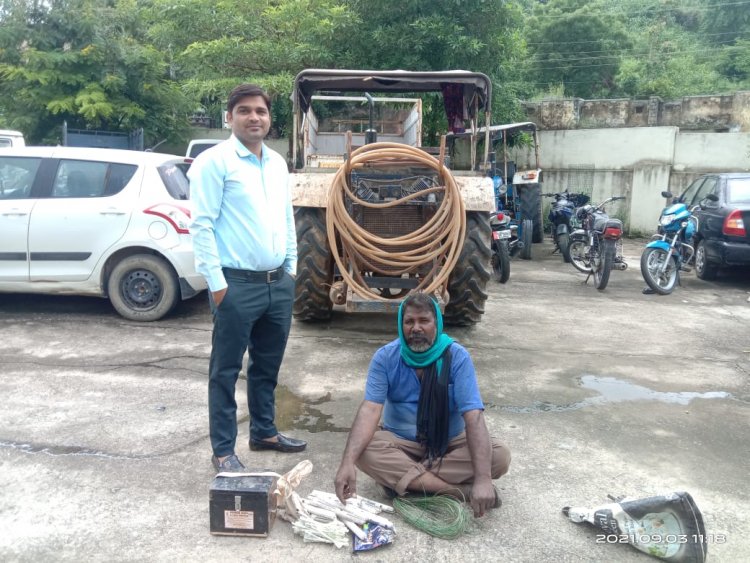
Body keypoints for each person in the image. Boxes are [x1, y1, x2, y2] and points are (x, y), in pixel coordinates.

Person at [189, 83, 306, 474]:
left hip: (278, 284)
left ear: (269, 118)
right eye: (244, 111)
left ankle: (264, 431)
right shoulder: (214, 162)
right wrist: (218, 285)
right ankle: (223, 450)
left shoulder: (276, 163)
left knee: (266, 367)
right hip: (235, 286)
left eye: (260, 110)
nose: (254, 117)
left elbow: (286, 220)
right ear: (230, 117)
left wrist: (290, 268)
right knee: (224, 372)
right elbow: (201, 227)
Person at [334, 293, 511, 517]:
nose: (416, 328)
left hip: (449, 443)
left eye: (424, 321)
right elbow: (370, 410)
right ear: (401, 324)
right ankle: (455, 491)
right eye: (409, 322)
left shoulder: (457, 357)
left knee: (499, 456)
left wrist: (484, 479)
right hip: (401, 443)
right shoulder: (385, 357)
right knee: (362, 452)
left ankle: (408, 481)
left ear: (436, 323)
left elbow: (473, 416)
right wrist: (346, 463)